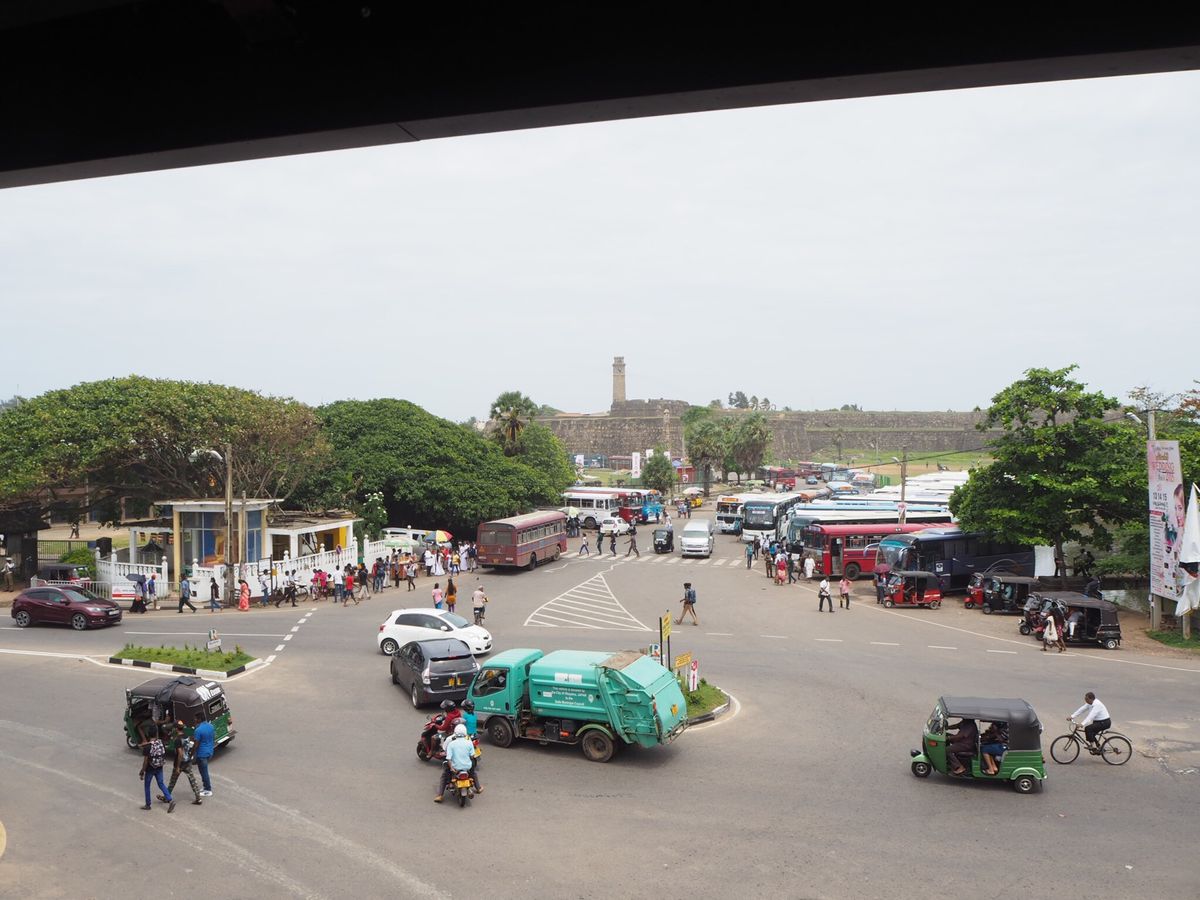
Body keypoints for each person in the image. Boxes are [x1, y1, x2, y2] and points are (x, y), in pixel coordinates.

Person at [160, 721, 203, 806]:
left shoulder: (177, 740)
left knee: (172, 781)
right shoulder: (187, 736)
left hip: (180, 763)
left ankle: (166, 797)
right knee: (192, 780)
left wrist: (177, 767)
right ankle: (198, 798)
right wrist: (190, 756)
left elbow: (180, 754)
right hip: (187, 761)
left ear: (176, 729)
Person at [435, 723, 480, 802]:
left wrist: (452, 768)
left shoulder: (450, 741)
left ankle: (440, 795)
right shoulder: (469, 741)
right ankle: (478, 788)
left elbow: (448, 757)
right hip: (467, 767)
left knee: (444, 775)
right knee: (473, 772)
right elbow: (472, 756)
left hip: (455, 767)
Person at [139, 724, 175, 813]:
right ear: (156, 733)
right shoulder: (161, 742)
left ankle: (148, 804)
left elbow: (145, 761)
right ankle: (170, 800)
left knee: (147, 786)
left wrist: (142, 771)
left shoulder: (147, 747)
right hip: (159, 766)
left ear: (148, 734)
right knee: (161, 783)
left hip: (150, 768)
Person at [193, 717, 215, 797]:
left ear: (198, 719)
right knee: (203, 771)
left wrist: (192, 754)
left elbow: (196, 744)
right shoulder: (211, 726)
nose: (194, 720)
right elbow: (213, 737)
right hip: (210, 751)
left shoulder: (198, 730)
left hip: (202, 754)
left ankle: (208, 789)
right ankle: (205, 786)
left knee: (204, 771)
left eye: (195, 719)